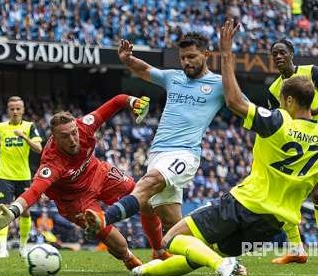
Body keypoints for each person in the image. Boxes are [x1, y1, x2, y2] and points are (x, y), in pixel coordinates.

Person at [130, 19, 318, 276]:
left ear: (289, 100)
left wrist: (226, 53)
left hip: (243, 204)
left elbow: (235, 101)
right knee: (205, 250)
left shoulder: (278, 122)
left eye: (282, 100)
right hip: (273, 224)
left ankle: (223, 266)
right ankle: (143, 273)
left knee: (171, 239)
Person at [84, 32, 227, 259]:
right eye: (183, 58)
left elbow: (244, 105)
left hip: (185, 153)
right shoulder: (173, 77)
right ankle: (222, 261)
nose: (186, 62)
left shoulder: (219, 84)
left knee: (149, 182)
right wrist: (127, 59)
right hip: (158, 153)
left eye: (191, 56)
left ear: (206, 54)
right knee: (172, 223)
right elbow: (145, 70)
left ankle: (104, 217)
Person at [0, 94, 151, 270]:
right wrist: (12, 212)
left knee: (140, 192)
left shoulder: (85, 125)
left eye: (74, 133)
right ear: (55, 138)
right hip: (75, 200)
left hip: (98, 173)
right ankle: (128, 258)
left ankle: (159, 249)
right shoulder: (52, 162)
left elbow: (118, 100)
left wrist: (134, 102)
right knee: (119, 243)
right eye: (65, 136)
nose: (72, 139)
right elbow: (35, 191)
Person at [268, 38, 318, 265]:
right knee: (282, 198)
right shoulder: (273, 89)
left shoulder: (312, 71)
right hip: (294, 148)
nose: (278, 57)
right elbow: (276, 122)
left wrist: (314, 110)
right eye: (274, 54)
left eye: (282, 52)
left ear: (291, 53)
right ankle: (297, 250)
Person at [0, 96, 43, 258]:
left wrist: (25, 137)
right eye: (12, 109)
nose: (15, 111)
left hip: (23, 175)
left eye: (18, 108)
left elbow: (39, 149)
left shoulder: (29, 126)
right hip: (5, 175)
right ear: (8, 110)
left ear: (23, 110)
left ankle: (23, 246)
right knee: (4, 210)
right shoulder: (0, 127)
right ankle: (3, 248)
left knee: (25, 212)